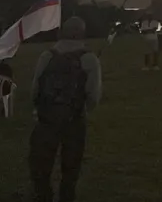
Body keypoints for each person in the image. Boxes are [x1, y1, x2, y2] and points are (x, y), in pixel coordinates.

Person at [29, 16, 102, 202]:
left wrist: (38, 108)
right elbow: (93, 94)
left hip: (46, 118)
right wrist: (85, 109)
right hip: (74, 119)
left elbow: (35, 88)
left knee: (41, 163)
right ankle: (67, 197)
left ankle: (43, 196)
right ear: (82, 33)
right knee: (71, 165)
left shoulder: (47, 55)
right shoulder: (89, 58)